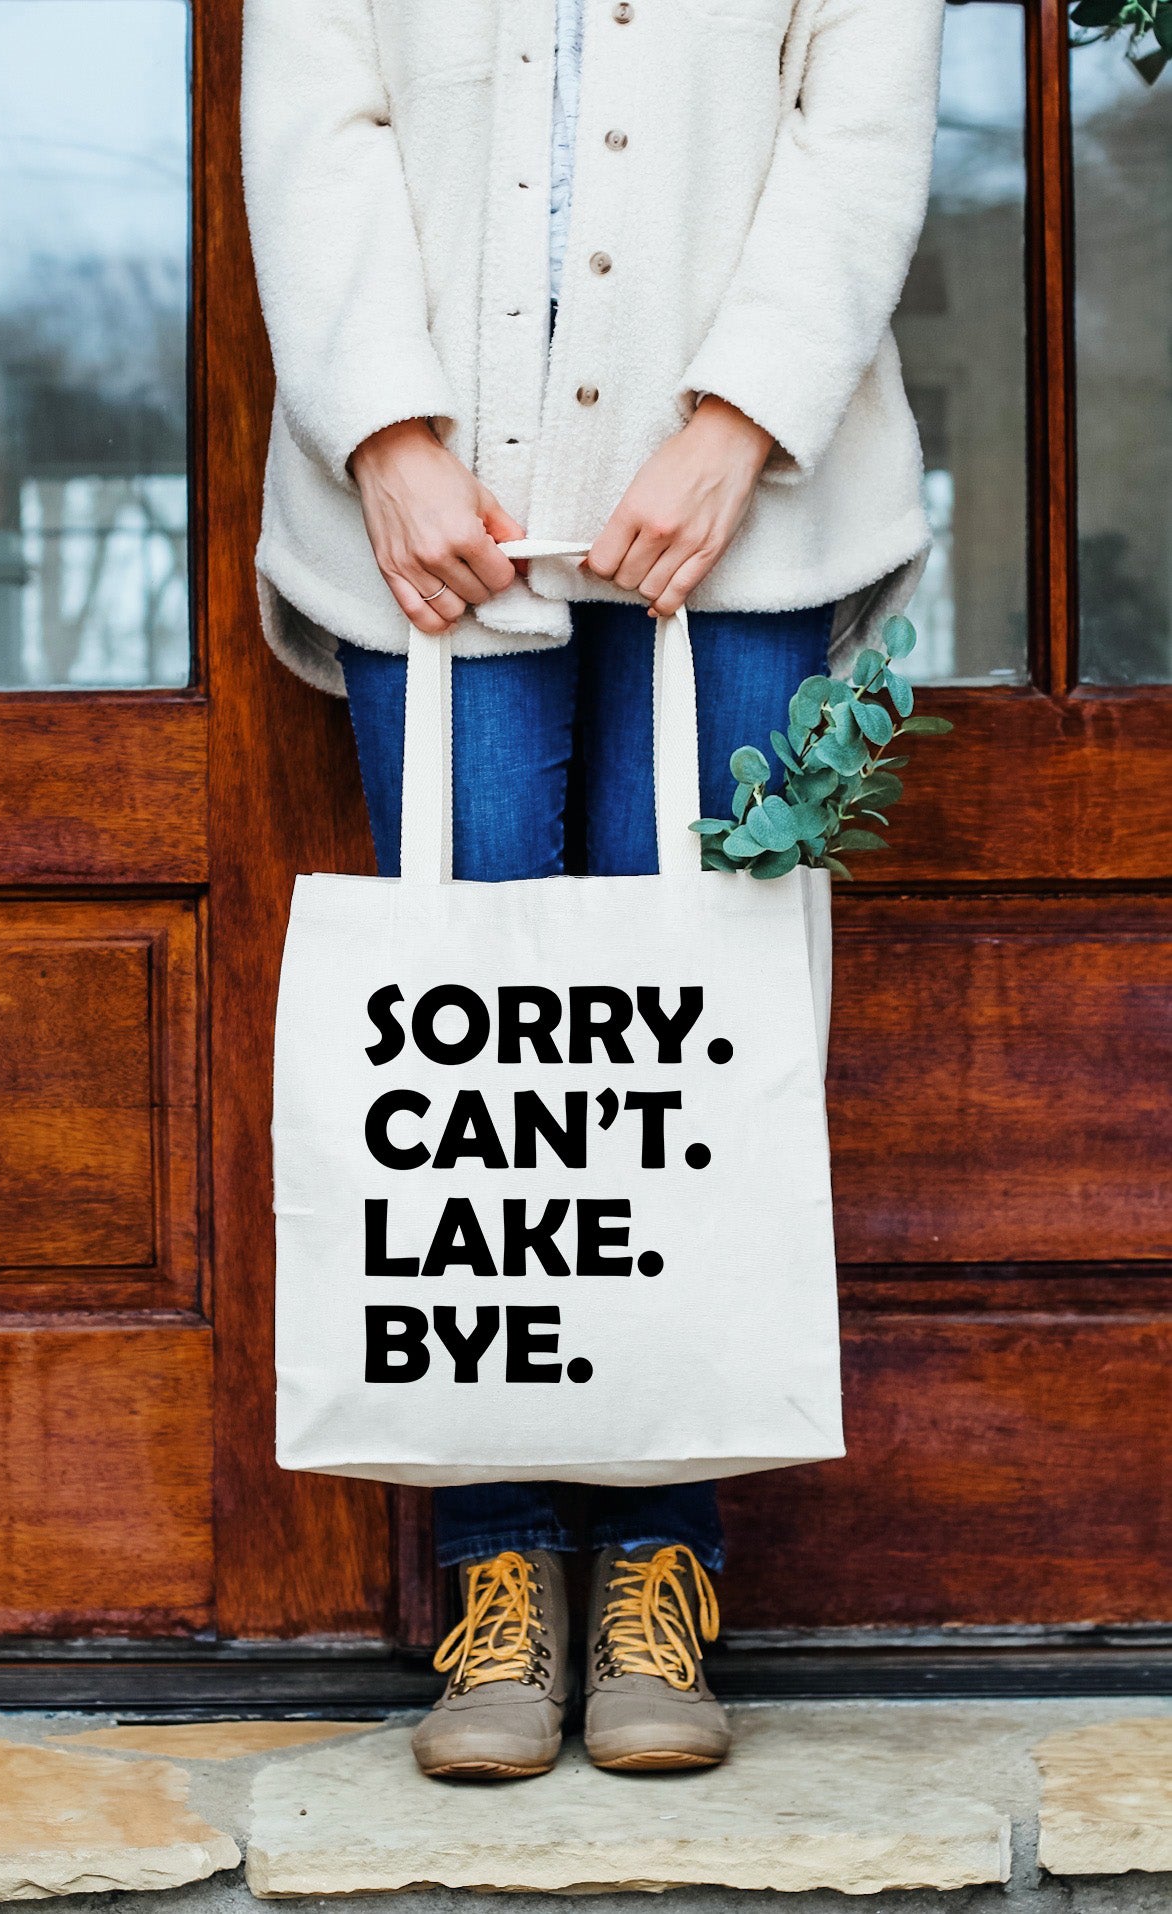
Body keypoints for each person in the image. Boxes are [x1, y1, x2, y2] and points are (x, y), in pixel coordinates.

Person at [242, 0, 944, 1780]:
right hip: (432, 514)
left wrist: (736, 425)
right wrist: (385, 437)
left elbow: (854, 127)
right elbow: (322, 123)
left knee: (684, 1057)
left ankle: (661, 1570)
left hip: (752, 508)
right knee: (472, 1068)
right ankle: (495, 1574)